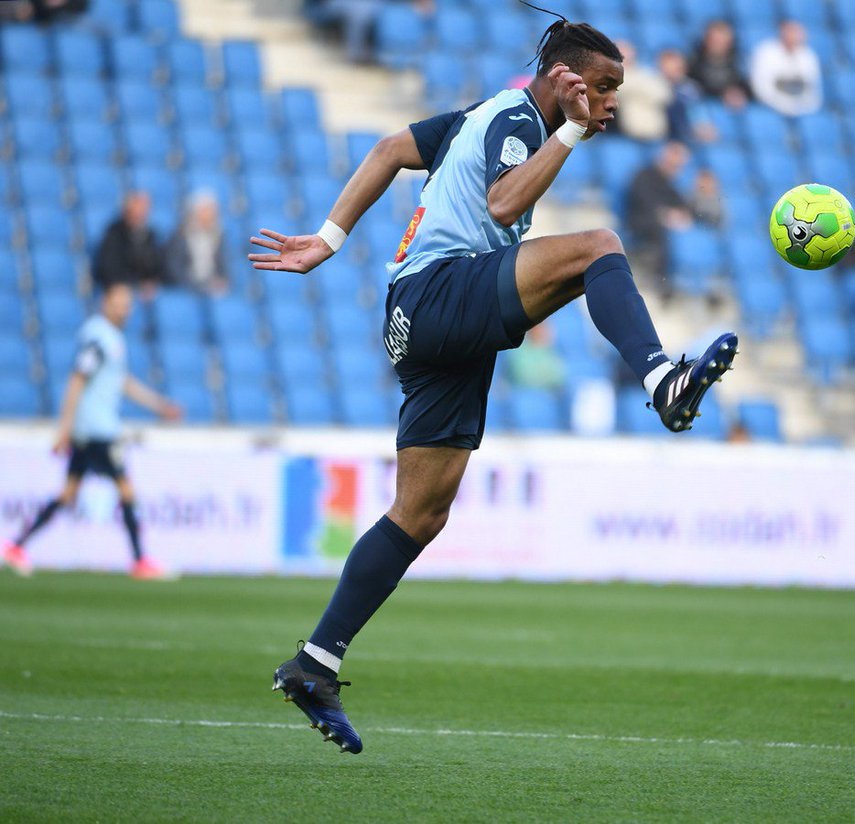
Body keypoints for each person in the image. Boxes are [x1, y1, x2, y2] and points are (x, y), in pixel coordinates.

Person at [248, 13, 739, 755]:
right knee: (598, 246)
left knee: (420, 513)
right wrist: (570, 131)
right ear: (564, 79)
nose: (610, 105)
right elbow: (504, 205)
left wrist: (329, 239)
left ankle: (315, 662)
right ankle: (663, 378)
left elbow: (387, 149)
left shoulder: (483, 115)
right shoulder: (517, 117)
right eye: (604, 89)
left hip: (421, 321)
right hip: (439, 294)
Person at [2, 284, 182, 579]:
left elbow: (122, 382)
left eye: (127, 304)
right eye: (118, 303)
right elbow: (77, 379)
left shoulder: (110, 338)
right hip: (97, 428)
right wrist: (64, 428)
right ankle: (140, 561)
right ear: (104, 303)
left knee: (68, 493)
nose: (123, 309)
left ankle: (15, 546)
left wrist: (160, 406)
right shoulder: (99, 338)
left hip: (90, 428)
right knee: (126, 490)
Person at [625, 141, 694, 277]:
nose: (675, 169)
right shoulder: (644, 175)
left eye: (678, 167)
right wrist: (666, 215)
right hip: (639, 221)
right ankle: (661, 278)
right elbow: (643, 202)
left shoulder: (669, 184)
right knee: (660, 231)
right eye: (673, 165)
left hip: (658, 223)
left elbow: (682, 205)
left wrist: (682, 216)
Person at [92, 191, 166, 296]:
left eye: (145, 209)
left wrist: (152, 282)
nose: (141, 214)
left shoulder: (149, 234)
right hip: (121, 287)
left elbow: (156, 264)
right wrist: (134, 285)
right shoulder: (114, 233)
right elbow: (110, 268)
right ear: (127, 210)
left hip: (142, 289)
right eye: (138, 209)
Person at [749, 20, 822, 118]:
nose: (794, 36)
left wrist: (801, 108)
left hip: (801, 111)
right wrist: (784, 106)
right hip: (770, 109)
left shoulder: (808, 55)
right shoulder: (766, 52)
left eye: (797, 32)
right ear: (782, 32)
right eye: (791, 31)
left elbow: (813, 91)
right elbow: (761, 88)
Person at [164, 191, 229, 295]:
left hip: (210, 287)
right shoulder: (181, 235)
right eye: (205, 211)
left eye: (212, 212)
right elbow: (174, 267)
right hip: (186, 287)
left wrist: (221, 280)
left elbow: (223, 266)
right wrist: (191, 284)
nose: (209, 216)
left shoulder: (219, 237)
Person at [610, 40, 671, 142]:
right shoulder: (610, 75)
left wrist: (637, 91)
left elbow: (664, 94)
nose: (624, 56)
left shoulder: (647, 73)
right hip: (629, 132)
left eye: (627, 51)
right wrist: (643, 90)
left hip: (656, 131)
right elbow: (619, 89)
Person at [687, 19, 750, 107]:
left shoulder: (738, 62)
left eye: (723, 41)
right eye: (716, 41)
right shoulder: (694, 63)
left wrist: (739, 93)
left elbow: (747, 86)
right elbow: (695, 88)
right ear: (707, 40)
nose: (720, 45)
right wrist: (722, 94)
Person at [658, 48, 715, 144]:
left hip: (690, 135)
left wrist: (704, 127)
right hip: (667, 136)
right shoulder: (655, 87)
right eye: (670, 66)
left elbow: (699, 112)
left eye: (678, 67)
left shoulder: (691, 88)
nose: (675, 69)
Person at [506, 323, 566, 390]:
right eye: (541, 328)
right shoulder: (519, 350)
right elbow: (524, 375)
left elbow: (561, 376)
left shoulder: (550, 350)